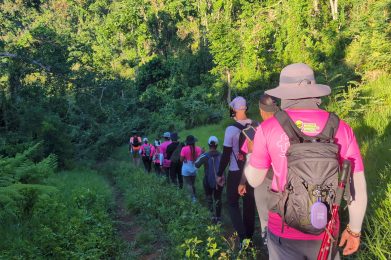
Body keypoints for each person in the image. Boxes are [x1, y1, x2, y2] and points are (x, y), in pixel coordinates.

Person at [245, 63, 367, 259]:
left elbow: (255, 180)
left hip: (283, 231)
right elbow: (357, 186)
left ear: (283, 93)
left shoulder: (268, 128)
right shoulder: (341, 128)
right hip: (326, 230)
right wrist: (354, 230)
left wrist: (250, 156)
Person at [216, 96, 256, 246]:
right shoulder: (256, 125)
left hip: (235, 171)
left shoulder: (231, 129)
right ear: (245, 108)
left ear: (233, 110)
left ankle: (243, 238)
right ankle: (250, 237)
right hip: (252, 170)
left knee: (232, 203)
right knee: (249, 204)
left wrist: (220, 174)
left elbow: (226, 154)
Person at [195, 136, 224, 224]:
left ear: (208, 145)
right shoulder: (221, 155)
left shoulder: (205, 156)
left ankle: (212, 217)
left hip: (208, 181)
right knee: (218, 198)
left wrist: (201, 154)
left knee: (209, 198)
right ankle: (218, 218)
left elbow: (196, 164)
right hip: (219, 180)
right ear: (217, 145)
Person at [180, 135, 202, 203]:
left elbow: (181, 159)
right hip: (194, 168)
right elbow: (199, 158)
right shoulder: (198, 148)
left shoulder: (184, 149)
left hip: (186, 169)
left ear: (187, 142)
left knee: (189, 184)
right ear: (194, 141)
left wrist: (185, 159)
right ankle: (194, 195)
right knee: (192, 183)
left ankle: (193, 198)